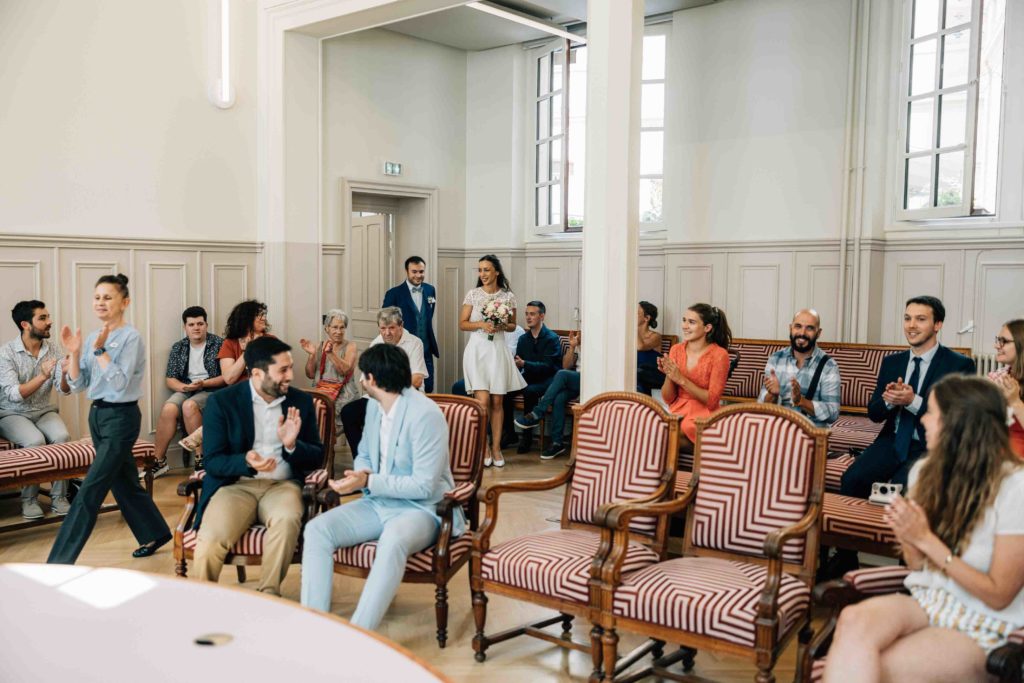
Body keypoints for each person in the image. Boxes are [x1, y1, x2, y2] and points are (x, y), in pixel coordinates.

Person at [823, 376, 1024, 682]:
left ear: (957, 425)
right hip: (932, 599)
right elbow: (918, 567)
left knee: (884, 665)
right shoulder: (925, 473)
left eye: (931, 413)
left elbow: (998, 595)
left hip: (985, 620)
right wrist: (907, 534)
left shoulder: (1016, 488)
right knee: (853, 619)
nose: (924, 421)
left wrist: (926, 540)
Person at [301, 344, 462, 629]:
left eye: (363, 376)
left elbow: (424, 486)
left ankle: (361, 632)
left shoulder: (426, 415)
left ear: (372, 380)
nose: (361, 380)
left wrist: (369, 481)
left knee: (393, 538)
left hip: (422, 510)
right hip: (378, 503)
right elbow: (364, 452)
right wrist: (358, 474)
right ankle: (316, 625)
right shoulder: (374, 407)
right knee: (317, 529)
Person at [47, 274, 172, 563]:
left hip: (121, 418)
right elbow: (78, 386)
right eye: (97, 297)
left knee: (91, 489)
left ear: (124, 302)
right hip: (98, 416)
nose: (100, 302)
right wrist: (76, 355)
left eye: (108, 297)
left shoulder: (131, 338)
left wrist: (100, 351)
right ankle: (156, 532)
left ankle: (58, 563)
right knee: (125, 481)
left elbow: (119, 384)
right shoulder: (91, 337)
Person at [192, 336, 323, 596]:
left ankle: (268, 594)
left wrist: (292, 446)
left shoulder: (301, 402)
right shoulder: (222, 402)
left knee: (286, 520)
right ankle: (201, 602)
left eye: (291, 367)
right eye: (283, 370)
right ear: (257, 373)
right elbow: (213, 461)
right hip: (236, 487)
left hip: (282, 486)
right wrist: (245, 461)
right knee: (210, 541)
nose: (290, 375)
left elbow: (316, 457)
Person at [840, 296, 976, 499]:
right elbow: (874, 414)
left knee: (902, 489)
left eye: (921, 319)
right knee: (852, 480)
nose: (911, 326)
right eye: (907, 318)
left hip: (930, 445)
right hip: (892, 441)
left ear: (938, 324)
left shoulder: (959, 365)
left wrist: (913, 401)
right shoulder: (892, 362)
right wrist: (889, 399)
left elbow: (957, 419)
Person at [0, 300, 71, 519]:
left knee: (62, 436)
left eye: (48, 317)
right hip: (11, 412)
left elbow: (63, 389)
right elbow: (15, 394)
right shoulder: (6, 353)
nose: (49, 322)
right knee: (35, 441)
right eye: (42, 318)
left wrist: (67, 373)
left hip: (43, 410)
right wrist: (42, 375)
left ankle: (59, 497)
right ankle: (29, 500)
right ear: (25, 324)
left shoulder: (54, 350)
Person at [459, 255, 526, 468]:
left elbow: (514, 325)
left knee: (498, 401)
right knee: (483, 402)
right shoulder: (473, 295)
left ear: (496, 271)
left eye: (486, 270)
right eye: (480, 270)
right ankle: (484, 446)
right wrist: (481, 324)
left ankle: (496, 448)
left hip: (497, 350)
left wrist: (500, 325)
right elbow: (462, 324)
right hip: (478, 350)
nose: (483, 274)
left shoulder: (508, 296)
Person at [339, 307, 428, 454]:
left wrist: (386, 386)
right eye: (383, 328)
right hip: (378, 398)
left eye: (392, 328)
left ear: (401, 325)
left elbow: (417, 379)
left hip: (406, 397)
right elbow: (365, 381)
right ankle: (363, 461)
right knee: (349, 412)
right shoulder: (376, 343)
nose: (387, 333)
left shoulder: (414, 343)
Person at [151, 306, 225, 476]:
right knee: (169, 408)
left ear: (206, 325)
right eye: (191, 325)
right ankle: (159, 461)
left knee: (189, 406)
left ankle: (201, 460)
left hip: (212, 389)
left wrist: (203, 384)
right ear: (185, 327)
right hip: (187, 388)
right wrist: (184, 387)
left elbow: (225, 378)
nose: (196, 328)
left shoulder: (219, 344)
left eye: (200, 323)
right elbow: (170, 379)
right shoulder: (179, 347)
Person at [658, 303, 732, 453]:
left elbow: (712, 401)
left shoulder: (719, 355)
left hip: (703, 415)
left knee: (665, 437)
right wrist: (669, 375)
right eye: (684, 320)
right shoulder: (676, 350)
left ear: (707, 328)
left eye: (691, 322)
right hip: (677, 410)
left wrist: (681, 379)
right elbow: (668, 398)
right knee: (655, 432)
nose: (685, 326)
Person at [757, 308, 840, 427]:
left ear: (819, 333)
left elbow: (833, 412)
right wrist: (773, 395)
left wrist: (801, 401)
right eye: (798, 326)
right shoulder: (775, 358)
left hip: (810, 434)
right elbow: (762, 405)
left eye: (810, 328)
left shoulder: (829, 366)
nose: (802, 333)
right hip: (776, 431)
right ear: (790, 328)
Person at [514, 330, 581, 460]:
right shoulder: (579, 342)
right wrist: (572, 347)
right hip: (575, 382)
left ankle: (538, 413)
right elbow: (566, 366)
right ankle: (557, 443)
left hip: (589, 381)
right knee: (559, 398)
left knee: (561, 374)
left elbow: (563, 372)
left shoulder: (599, 343)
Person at [508, 301, 561, 454]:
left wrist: (524, 363)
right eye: (526, 314)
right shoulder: (523, 339)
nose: (528, 317)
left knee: (529, 391)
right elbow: (520, 361)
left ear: (541, 316)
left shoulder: (551, 338)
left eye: (532, 314)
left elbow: (548, 367)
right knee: (504, 391)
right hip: (528, 377)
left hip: (548, 379)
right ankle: (509, 434)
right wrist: (518, 365)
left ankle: (527, 437)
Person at [382, 256, 439, 393]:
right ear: (407, 271)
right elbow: (385, 322)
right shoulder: (394, 293)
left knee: (429, 387)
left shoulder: (430, 290)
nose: (418, 275)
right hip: (404, 350)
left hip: (426, 348)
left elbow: (427, 317)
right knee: (407, 387)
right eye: (414, 272)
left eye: (421, 271)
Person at [299, 308, 360, 432]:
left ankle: (323, 448)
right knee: (303, 413)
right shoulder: (320, 346)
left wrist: (331, 353)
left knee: (320, 417)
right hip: (322, 393)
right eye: (335, 327)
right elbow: (310, 374)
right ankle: (321, 448)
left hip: (343, 396)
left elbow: (345, 370)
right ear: (327, 328)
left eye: (342, 327)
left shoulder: (351, 346)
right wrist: (311, 355)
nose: (339, 331)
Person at [218, 299, 274, 385]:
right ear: (246, 318)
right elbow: (229, 379)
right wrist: (247, 351)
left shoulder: (272, 341)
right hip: (238, 393)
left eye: (263, 315)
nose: (263, 318)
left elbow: (276, 374)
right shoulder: (229, 343)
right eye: (259, 315)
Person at [990, 319, 1024, 458]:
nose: (996, 345)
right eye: (998, 340)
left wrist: (1015, 401)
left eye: (1003, 341)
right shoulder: (998, 376)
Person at [636, 301, 665, 395]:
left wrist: (631, 325)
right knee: (636, 374)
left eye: (635, 313)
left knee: (637, 371)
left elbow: (640, 347)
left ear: (647, 318)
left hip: (655, 374)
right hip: (639, 373)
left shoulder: (656, 336)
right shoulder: (629, 336)